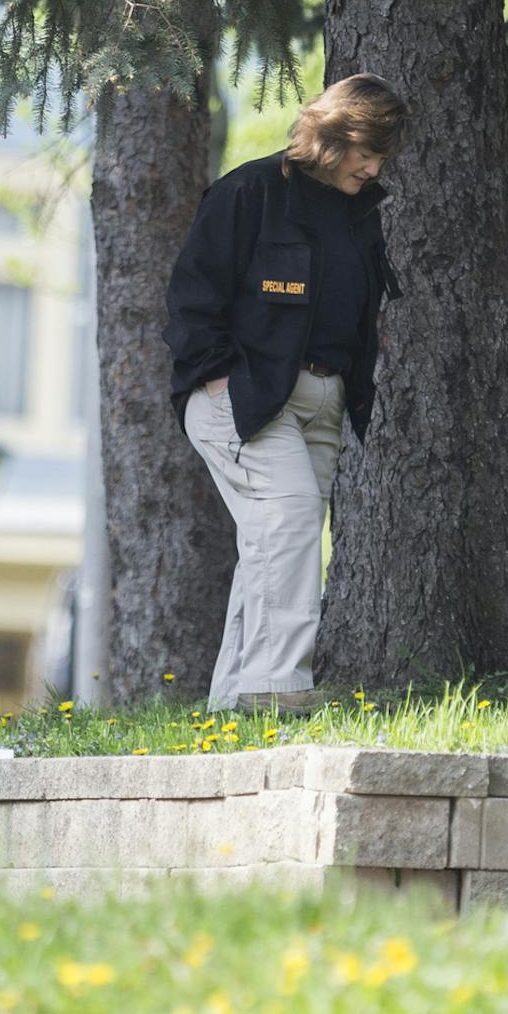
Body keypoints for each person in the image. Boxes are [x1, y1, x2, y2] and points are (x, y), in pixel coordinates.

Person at [166, 74, 408, 714]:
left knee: (275, 543)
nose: (376, 165)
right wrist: (224, 381)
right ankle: (276, 691)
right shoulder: (249, 192)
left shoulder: (361, 213)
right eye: (367, 150)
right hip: (245, 398)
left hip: (325, 403)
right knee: (294, 517)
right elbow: (191, 303)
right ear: (336, 136)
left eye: (383, 154)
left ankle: (230, 707)